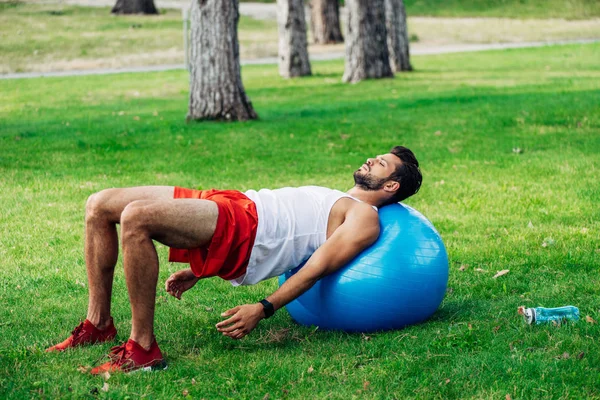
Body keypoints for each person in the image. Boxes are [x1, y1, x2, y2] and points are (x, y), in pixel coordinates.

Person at [46, 146, 422, 373]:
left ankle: (142, 348)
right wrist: (200, 269)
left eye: (382, 165)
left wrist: (264, 308)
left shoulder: (364, 219)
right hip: (233, 202)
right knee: (99, 205)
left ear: (391, 187)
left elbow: (318, 265)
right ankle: (98, 323)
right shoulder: (339, 196)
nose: (372, 159)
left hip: (246, 228)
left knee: (135, 218)